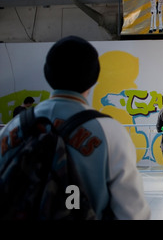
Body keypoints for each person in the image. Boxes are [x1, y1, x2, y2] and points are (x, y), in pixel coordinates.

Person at [0, 35, 151, 219]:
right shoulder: (110, 132)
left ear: (47, 72)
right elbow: (132, 213)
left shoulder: (12, 127)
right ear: (94, 77)